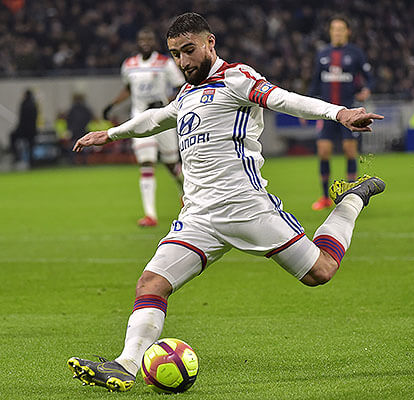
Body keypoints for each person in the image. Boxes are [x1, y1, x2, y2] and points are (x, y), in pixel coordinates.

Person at [68, 12, 385, 393]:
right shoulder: (186, 95)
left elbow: (285, 100)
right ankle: (126, 365)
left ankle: (350, 200)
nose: (183, 61)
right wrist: (110, 134)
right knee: (151, 283)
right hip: (198, 218)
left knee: (321, 271)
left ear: (210, 43)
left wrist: (339, 113)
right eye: (175, 54)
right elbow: (154, 119)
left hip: (248, 208)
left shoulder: (237, 78)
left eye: (189, 50)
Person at [103, 27, 186, 227]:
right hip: (139, 120)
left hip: (163, 119)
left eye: (149, 38)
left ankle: (186, 193)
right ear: (137, 42)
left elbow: (181, 87)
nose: (145, 42)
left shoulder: (165, 63)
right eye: (142, 38)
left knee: (171, 163)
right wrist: (113, 105)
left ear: (154, 41)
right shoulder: (129, 65)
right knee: (146, 163)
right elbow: (129, 89)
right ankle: (150, 215)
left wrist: (166, 101)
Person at [307, 15, 374, 210]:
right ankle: (324, 197)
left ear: (347, 32)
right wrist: (307, 107)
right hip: (327, 113)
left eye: (341, 29)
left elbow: (369, 78)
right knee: (323, 151)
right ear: (330, 32)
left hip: (349, 112)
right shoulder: (322, 54)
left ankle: (352, 197)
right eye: (334, 29)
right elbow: (315, 83)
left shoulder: (355, 53)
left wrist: (367, 89)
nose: (337, 32)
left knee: (350, 151)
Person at [10, 89, 38, 167]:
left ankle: (17, 156)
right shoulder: (34, 105)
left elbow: (21, 118)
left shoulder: (23, 104)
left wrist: (19, 128)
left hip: (23, 129)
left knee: (12, 136)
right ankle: (32, 162)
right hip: (32, 130)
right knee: (31, 147)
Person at [66, 93, 94, 164]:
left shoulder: (72, 110)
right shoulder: (85, 109)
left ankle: (74, 161)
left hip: (75, 131)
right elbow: (90, 118)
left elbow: (68, 120)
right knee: (84, 146)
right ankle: (84, 160)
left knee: (74, 146)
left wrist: (70, 129)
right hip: (82, 130)